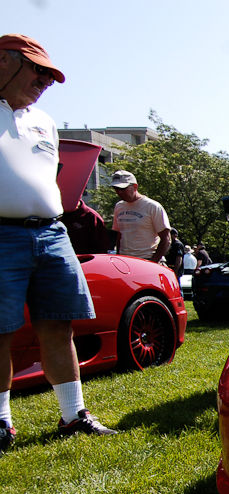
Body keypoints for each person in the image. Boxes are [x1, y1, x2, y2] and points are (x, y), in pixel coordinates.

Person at [0, 34, 117, 453]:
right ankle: (1, 424)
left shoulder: (44, 121)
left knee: (58, 323)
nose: (45, 80)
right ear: (2, 61)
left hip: (51, 232)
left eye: (49, 74)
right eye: (37, 69)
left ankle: (73, 415)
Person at [111, 170, 171, 262]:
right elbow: (120, 234)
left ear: (135, 186)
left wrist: (153, 262)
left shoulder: (152, 206)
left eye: (123, 188)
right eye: (116, 188)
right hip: (125, 261)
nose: (119, 192)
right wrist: (118, 257)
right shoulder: (119, 206)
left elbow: (166, 238)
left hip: (146, 259)